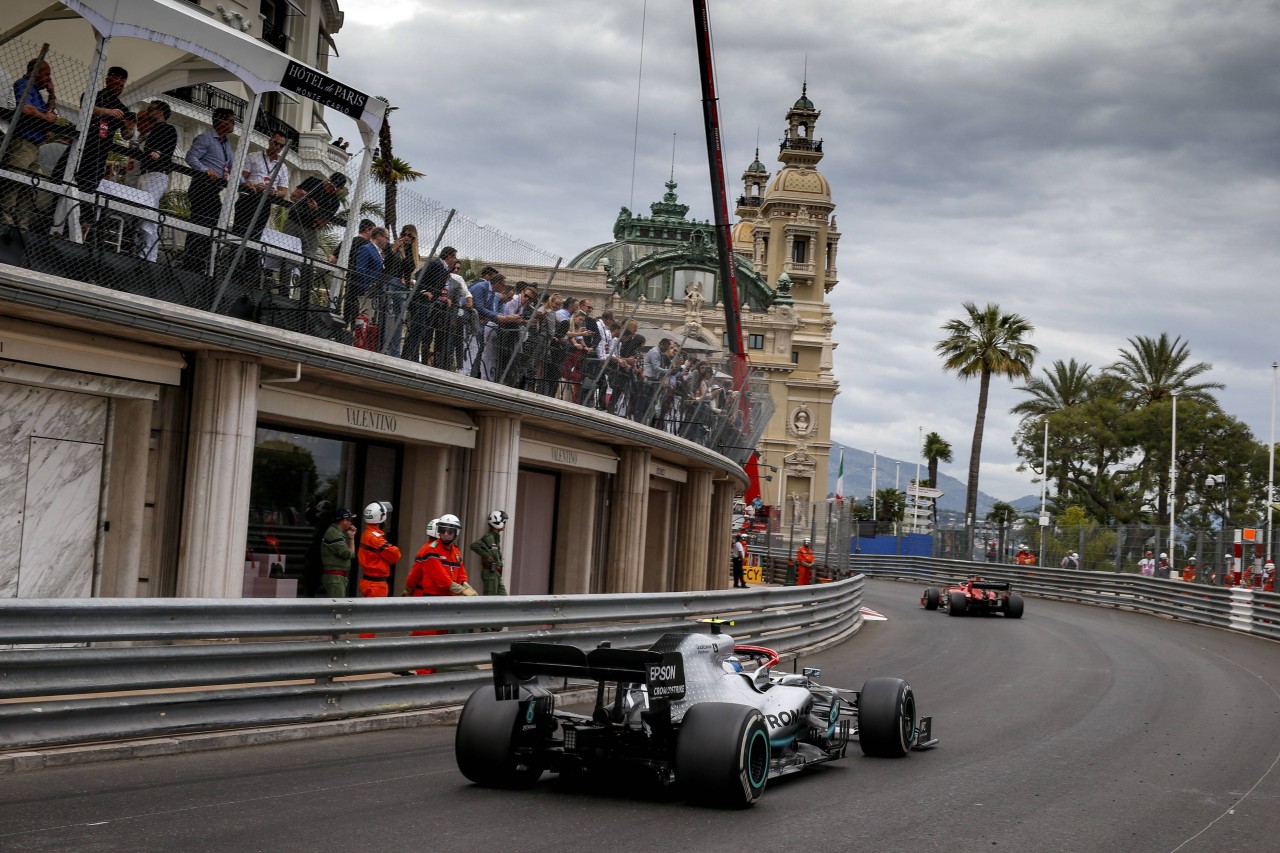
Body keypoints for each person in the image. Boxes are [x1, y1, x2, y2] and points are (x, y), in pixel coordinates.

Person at [3, 58, 59, 230]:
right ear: (35, 72)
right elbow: (25, 108)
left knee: (28, 186)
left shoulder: (38, 93)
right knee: (14, 181)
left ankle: (22, 225)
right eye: (46, 74)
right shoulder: (23, 85)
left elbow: (51, 114)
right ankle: (5, 220)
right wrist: (44, 117)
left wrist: (52, 94)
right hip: (22, 141)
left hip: (35, 145)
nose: (48, 79)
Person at [183, 107, 237, 269]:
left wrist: (244, 182)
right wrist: (205, 170)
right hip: (202, 187)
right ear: (221, 121)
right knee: (199, 222)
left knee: (213, 223)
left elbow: (232, 168)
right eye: (231, 120)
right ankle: (190, 262)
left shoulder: (227, 144)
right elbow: (191, 157)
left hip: (214, 190)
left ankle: (203, 261)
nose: (234, 124)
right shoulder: (205, 138)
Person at [129, 101, 177, 262]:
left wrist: (159, 153)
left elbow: (165, 149)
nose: (149, 112)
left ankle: (149, 256)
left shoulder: (168, 129)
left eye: (152, 110)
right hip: (146, 174)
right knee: (144, 213)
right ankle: (143, 252)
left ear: (161, 112)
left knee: (148, 214)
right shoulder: (154, 130)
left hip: (156, 175)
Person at [77, 66, 134, 201]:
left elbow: (126, 135)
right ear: (107, 80)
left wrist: (130, 127)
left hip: (100, 153)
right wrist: (108, 111)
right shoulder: (93, 96)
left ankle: (84, 218)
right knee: (64, 176)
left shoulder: (122, 108)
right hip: (81, 146)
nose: (118, 88)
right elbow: (86, 108)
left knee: (89, 187)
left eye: (121, 86)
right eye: (115, 83)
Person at [233, 130, 290, 239]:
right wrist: (252, 185)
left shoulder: (283, 167)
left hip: (265, 203)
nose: (278, 147)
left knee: (255, 237)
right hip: (248, 198)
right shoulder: (253, 156)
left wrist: (275, 192)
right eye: (276, 143)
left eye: (281, 146)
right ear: (270, 141)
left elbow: (284, 192)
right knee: (238, 234)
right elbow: (242, 177)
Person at [358, 500, 400, 599]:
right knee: (374, 613)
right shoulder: (376, 539)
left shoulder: (366, 534)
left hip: (367, 581)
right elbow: (395, 555)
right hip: (376, 585)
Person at [318, 508, 358, 597]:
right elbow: (348, 554)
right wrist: (351, 538)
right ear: (344, 520)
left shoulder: (336, 532)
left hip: (337, 576)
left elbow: (351, 554)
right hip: (335, 577)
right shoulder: (334, 533)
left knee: (337, 606)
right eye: (350, 520)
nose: (351, 523)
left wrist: (351, 536)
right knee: (337, 608)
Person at [470, 509, 510, 597]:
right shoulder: (489, 537)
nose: (505, 524)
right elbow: (474, 546)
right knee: (489, 600)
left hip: (496, 574)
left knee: (504, 599)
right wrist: (486, 555)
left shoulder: (495, 538)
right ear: (497, 522)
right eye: (503, 522)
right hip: (490, 573)